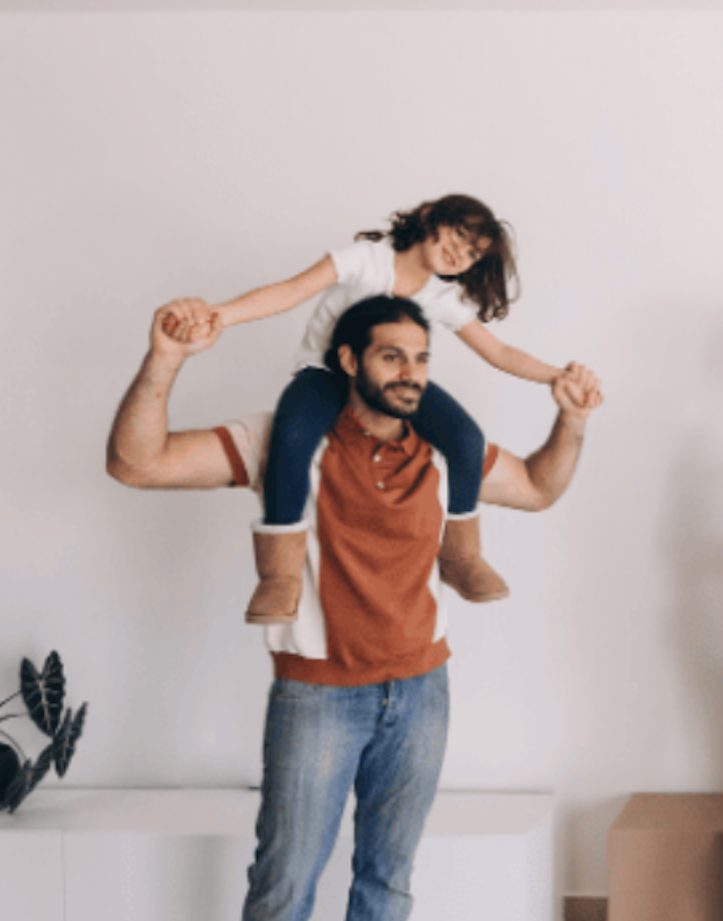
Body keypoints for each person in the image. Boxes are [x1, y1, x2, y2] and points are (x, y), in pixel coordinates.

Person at [106, 293, 601, 921]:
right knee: (285, 878)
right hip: (315, 693)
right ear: (348, 361)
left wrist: (573, 420)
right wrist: (165, 359)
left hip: (420, 691)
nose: (409, 374)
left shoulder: (445, 450)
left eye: (420, 359)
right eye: (390, 357)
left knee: (388, 873)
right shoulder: (280, 440)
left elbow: (543, 488)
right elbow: (137, 462)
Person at [157, 195, 593, 626]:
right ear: (427, 218)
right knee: (291, 437)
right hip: (326, 373)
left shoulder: (442, 296)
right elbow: (289, 292)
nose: (460, 252)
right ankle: (280, 575)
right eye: (458, 236)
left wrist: (558, 376)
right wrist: (218, 315)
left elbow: (498, 350)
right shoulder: (367, 259)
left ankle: (461, 555)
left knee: (465, 439)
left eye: (472, 253)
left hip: (392, 384)